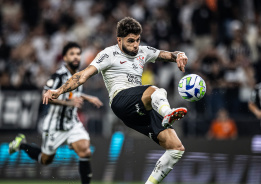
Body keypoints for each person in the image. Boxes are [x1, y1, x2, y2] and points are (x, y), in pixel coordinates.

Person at [43, 17, 188, 184]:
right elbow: (82, 75)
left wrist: (180, 54)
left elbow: (168, 55)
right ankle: (167, 113)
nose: (135, 45)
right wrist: (59, 90)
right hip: (120, 100)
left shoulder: (143, 51)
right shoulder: (108, 54)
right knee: (156, 90)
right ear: (119, 40)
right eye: (131, 41)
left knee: (176, 149)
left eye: (138, 40)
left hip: (139, 107)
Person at [9, 42, 103, 184]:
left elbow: (73, 94)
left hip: (72, 122)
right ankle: (22, 145)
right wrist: (68, 103)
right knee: (45, 160)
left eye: (78, 54)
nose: (76, 57)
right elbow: (45, 96)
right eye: (72, 54)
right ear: (65, 58)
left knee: (85, 151)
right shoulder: (58, 76)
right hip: (55, 124)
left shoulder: (79, 76)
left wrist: (88, 97)